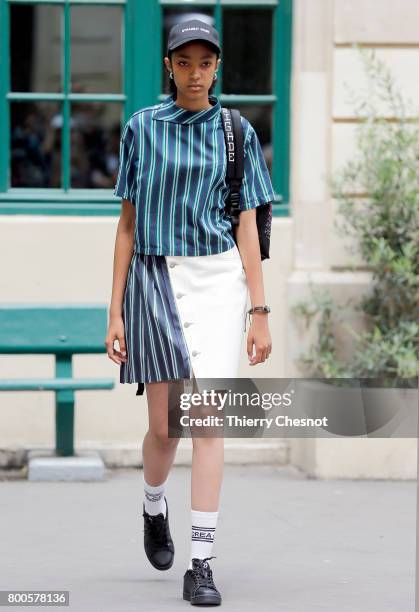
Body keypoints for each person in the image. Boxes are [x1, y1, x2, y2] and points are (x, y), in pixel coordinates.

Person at [105, 18, 275, 607]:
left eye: (206, 62)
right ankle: (155, 507)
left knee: (206, 424)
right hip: (153, 277)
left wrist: (259, 309)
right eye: (185, 62)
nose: (196, 72)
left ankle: (201, 562)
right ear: (169, 66)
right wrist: (115, 312)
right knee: (163, 428)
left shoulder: (236, 133)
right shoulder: (141, 129)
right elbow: (127, 223)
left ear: (218, 65)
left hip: (219, 280)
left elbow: (247, 223)